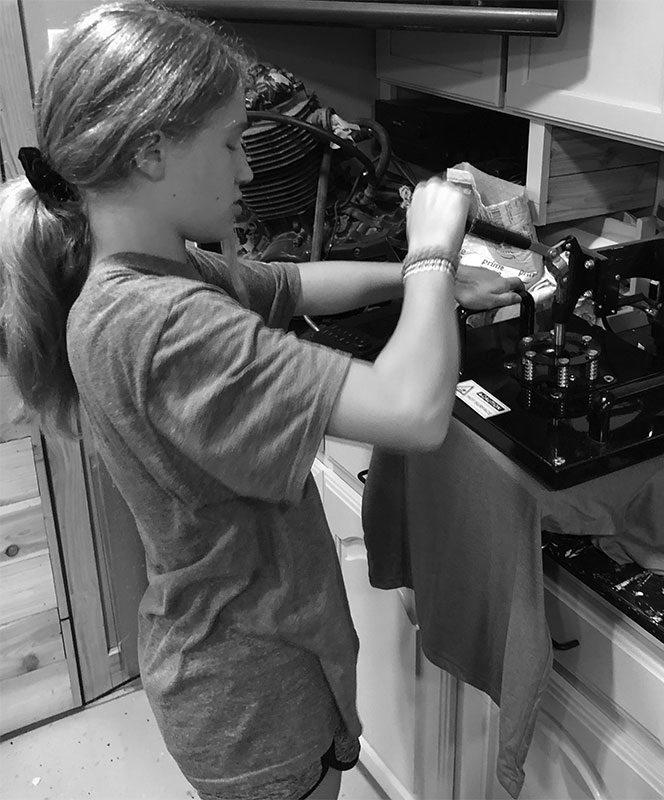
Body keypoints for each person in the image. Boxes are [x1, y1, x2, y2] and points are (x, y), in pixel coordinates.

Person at [0, 2, 523, 798]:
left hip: (239, 671)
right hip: (256, 705)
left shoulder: (146, 275)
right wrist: (431, 253)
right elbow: (412, 409)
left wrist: (436, 283)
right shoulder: (164, 323)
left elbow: (292, 284)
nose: (246, 168)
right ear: (150, 150)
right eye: (229, 142)